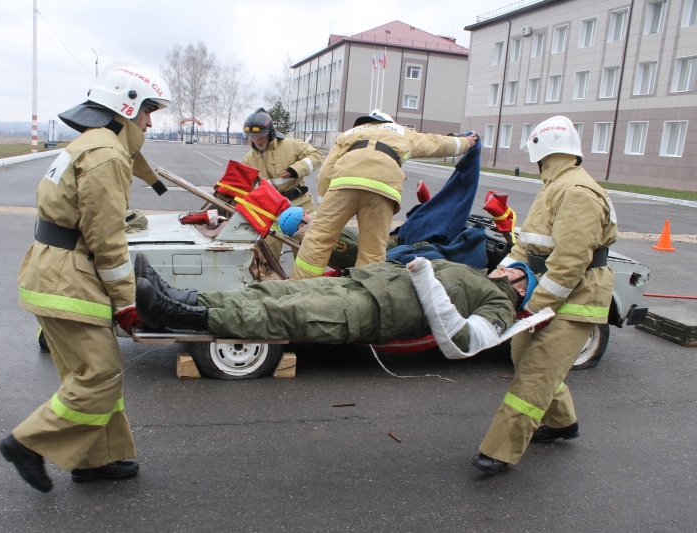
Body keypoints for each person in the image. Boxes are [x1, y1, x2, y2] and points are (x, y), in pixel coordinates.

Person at [0, 60, 173, 493]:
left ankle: (97, 459)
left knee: (89, 371)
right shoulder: (106, 154)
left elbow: (99, 209)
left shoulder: (91, 144)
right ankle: (28, 443)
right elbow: (107, 238)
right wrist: (126, 300)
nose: (151, 121)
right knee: (101, 373)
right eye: (149, 110)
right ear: (128, 107)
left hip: (50, 270)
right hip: (68, 278)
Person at [471, 115, 618, 475]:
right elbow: (527, 246)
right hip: (556, 293)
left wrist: (535, 306)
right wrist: (499, 277)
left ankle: (499, 451)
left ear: (541, 151)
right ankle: (563, 424)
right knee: (525, 356)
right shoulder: (555, 186)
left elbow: (570, 262)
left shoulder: (576, 192)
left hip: (577, 300)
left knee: (536, 375)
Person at [132, 252, 546, 360]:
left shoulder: (499, 304)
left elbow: (464, 340)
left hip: (374, 314)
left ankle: (177, 315)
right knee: (271, 293)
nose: (504, 269)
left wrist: (424, 280)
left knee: (283, 315)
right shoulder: (476, 271)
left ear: (518, 284)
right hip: (363, 285)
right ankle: (178, 297)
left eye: (514, 271)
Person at [291, 110, 477, 279]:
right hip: (383, 186)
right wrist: (465, 143)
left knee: (319, 239)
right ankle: (363, 298)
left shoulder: (348, 134)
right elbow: (435, 144)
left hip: (343, 183)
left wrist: (325, 204)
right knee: (372, 250)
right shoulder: (401, 132)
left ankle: (299, 289)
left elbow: (326, 171)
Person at [241, 107, 324, 258]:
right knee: (267, 255)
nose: (257, 141)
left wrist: (296, 169)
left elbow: (316, 156)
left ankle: (304, 281)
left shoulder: (291, 145)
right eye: (252, 137)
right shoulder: (249, 159)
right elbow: (241, 188)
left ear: (270, 133)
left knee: (306, 254)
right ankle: (269, 281)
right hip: (272, 211)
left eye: (260, 136)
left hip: (301, 206)